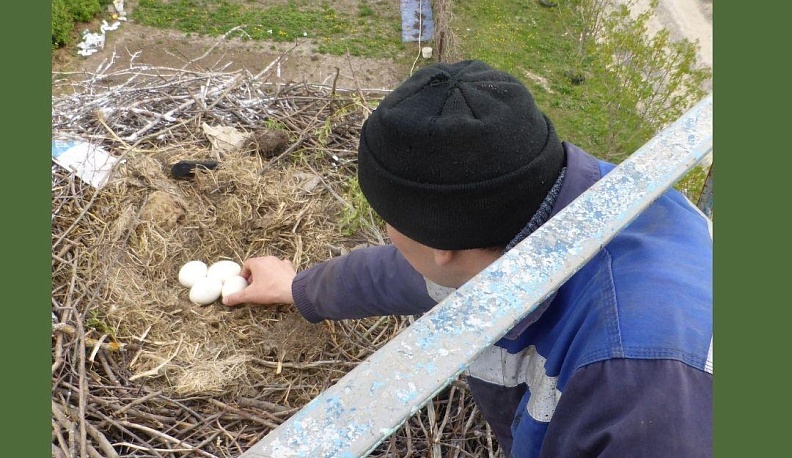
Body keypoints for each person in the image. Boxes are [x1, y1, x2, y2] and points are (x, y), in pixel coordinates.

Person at [223, 60, 713, 457]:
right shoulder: (546, 200)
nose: (390, 236)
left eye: (391, 224)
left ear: (443, 246)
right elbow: (418, 273)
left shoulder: (641, 395)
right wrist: (298, 287)